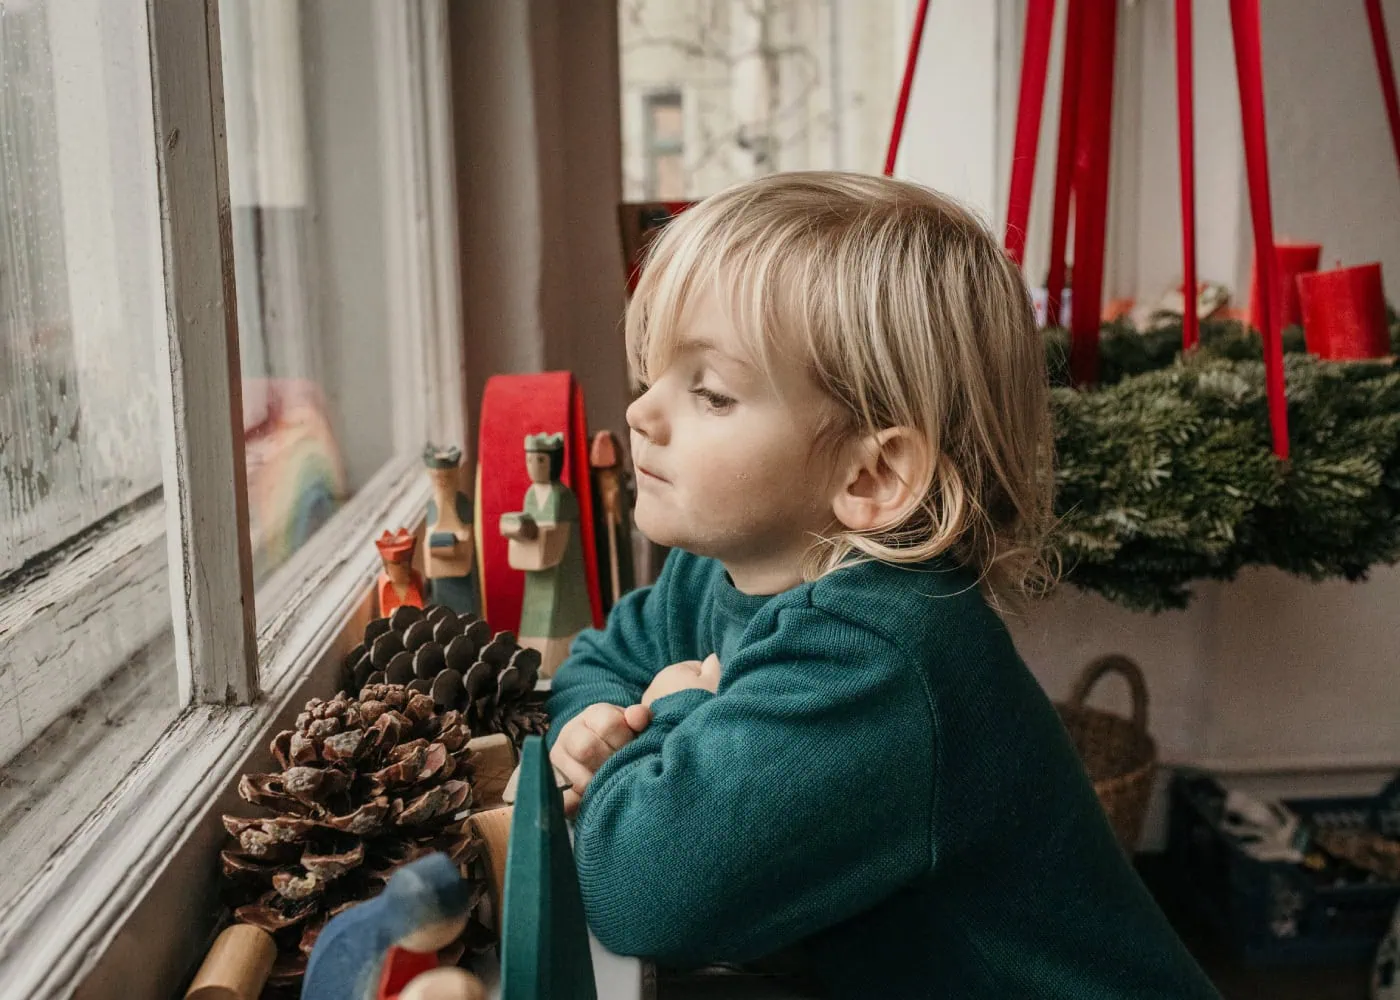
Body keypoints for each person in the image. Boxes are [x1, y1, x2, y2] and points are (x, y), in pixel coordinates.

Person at [546, 171, 1219, 999]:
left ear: (873, 474)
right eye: (654, 372)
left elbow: (644, 891)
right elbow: (596, 661)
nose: (644, 411)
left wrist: (677, 714)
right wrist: (603, 725)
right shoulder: (732, 561)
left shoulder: (876, 653)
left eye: (711, 393)